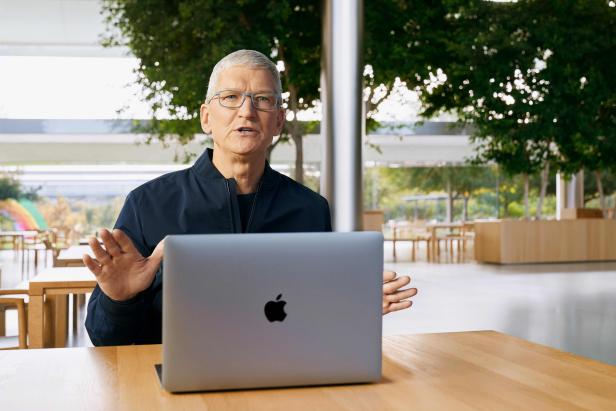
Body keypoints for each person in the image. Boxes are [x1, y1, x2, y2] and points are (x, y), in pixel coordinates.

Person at [84, 50, 418, 346]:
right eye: (230, 97)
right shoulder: (148, 204)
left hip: (282, 378)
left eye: (262, 99)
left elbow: (312, 321)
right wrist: (118, 298)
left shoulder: (310, 209)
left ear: (279, 121)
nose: (246, 111)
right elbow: (104, 339)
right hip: (175, 387)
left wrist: (350, 310)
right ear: (206, 118)